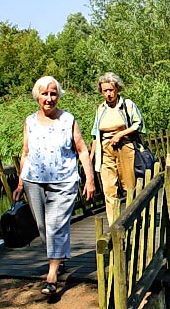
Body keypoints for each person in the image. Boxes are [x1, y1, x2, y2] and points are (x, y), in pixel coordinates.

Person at [13, 76, 94, 296]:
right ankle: (59, 259)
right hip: (34, 180)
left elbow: (82, 150)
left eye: (53, 94)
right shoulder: (30, 121)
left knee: (56, 224)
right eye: (45, 94)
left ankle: (51, 276)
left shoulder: (68, 120)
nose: (49, 99)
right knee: (43, 227)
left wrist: (89, 179)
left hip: (64, 180)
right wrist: (20, 182)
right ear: (37, 96)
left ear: (58, 95)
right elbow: (25, 153)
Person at [90, 72, 146, 225]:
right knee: (109, 189)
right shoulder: (100, 109)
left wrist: (120, 134)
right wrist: (90, 159)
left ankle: (132, 219)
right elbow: (96, 133)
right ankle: (114, 223)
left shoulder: (127, 105)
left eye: (111, 90)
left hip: (125, 148)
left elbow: (138, 124)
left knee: (129, 187)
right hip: (105, 151)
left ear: (117, 89)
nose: (108, 94)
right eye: (105, 90)